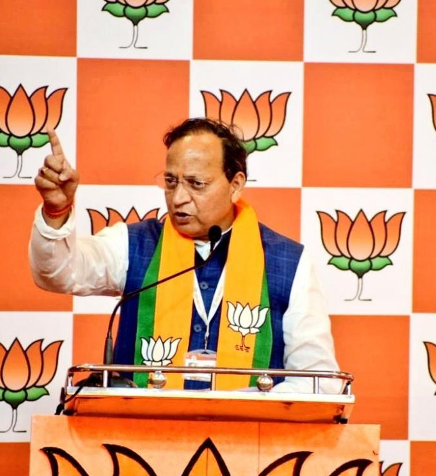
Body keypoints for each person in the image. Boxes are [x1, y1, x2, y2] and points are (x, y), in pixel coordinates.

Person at [29, 118, 340, 393]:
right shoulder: (134, 244)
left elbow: (320, 381)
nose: (178, 198)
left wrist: (238, 403)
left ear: (235, 185)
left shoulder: (289, 262)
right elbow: (59, 273)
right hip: (142, 436)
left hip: (251, 438)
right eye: (170, 182)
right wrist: (56, 210)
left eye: (196, 184)